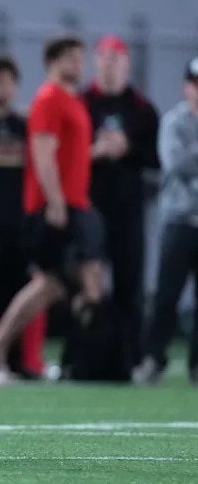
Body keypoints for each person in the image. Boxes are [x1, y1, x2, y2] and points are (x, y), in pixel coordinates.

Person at [0, 37, 104, 383]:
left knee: (79, 283)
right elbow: (43, 153)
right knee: (50, 283)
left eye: (81, 58)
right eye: (71, 58)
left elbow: (72, 155)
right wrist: (56, 201)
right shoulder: (49, 98)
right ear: (53, 61)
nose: (79, 64)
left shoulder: (73, 100)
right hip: (55, 206)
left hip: (77, 204)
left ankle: (83, 359)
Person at [83, 35, 159, 364]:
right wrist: (94, 152)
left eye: (116, 60)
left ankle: (133, 356)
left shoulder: (142, 109)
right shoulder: (82, 103)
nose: (110, 66)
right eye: (104, 59)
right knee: (90, 285)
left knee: (131, 282)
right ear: (96, 62)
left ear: (126, 64)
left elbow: (156, 159)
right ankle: (87, 354)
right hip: (90, 208)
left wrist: (126, 149)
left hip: (129, 209)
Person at [0, 55, 42, 377]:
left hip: (18, 221)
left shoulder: (22, 125)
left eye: (10, 81)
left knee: (13, 294)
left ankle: (12, 361)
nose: (5, 88)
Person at [133, 57, 198, 386]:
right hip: (179, 220)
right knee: (166, 295)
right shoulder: (173, 122)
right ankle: (153, 358)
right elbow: (175, 164)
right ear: (187, 86)